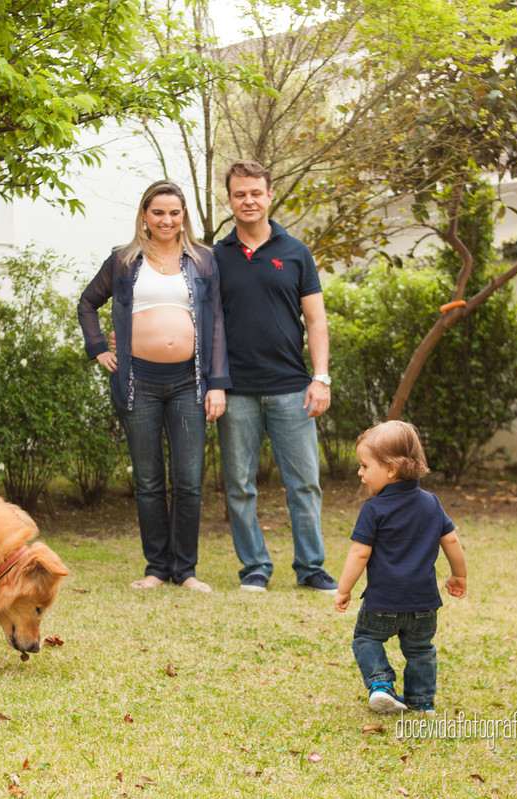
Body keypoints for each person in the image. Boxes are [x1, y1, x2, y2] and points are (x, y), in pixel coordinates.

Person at [78, 180, 230, 593]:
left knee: (189, 480)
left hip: (188, 384)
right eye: (158, 212)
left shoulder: (203, 260)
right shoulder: (123, 260)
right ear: (144, 214)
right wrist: (98, 349)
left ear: (184, 216)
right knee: (148, 481)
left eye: (174, 212)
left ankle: (187, 571)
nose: (167, 220)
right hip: (137, 384)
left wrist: (216, 384)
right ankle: (156, 569)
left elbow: (215, 322)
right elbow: (88, 303)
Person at [213, 159, 338, 594]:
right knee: (240, 487)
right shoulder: (216, 257)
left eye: (255, 193)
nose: (248, 200)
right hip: (237, 392)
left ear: (269, 195)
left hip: (292, 388)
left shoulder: (295, 251)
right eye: (239, 194)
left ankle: (311, 568)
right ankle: (255, 569)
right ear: (229, 200)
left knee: (304, 484)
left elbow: (317, 322)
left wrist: (320, 378)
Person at [334, 420, 468, 714]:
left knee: (366, 639)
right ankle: (422, 702)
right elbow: (453, 541)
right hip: (423, 605)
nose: (360, 473)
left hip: (383, 601)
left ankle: (380, 684)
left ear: (391, 469)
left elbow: (359, 554)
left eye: (365, 466)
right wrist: (458, 575)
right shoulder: (432, 503)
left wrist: (344, 589)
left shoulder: (373, 509)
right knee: (420, 650)